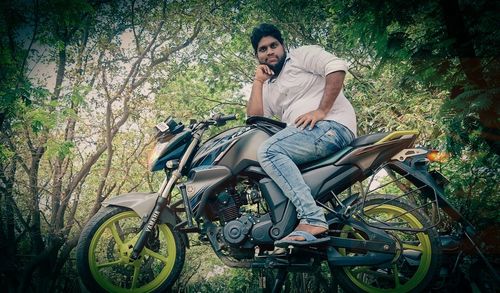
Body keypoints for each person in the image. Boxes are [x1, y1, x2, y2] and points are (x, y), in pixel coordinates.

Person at [247, 23, 357, 247]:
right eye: (263, 49)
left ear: (283, 45)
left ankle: (312, 218)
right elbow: (255, 118)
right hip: (309, 136)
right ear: (257, 56)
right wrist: (258, 82)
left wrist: (321, 110)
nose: (269, 52)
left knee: (269, 151)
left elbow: (336, 67)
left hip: (330, 127)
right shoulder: (269, 86)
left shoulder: (301, 56)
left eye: (273, 45)